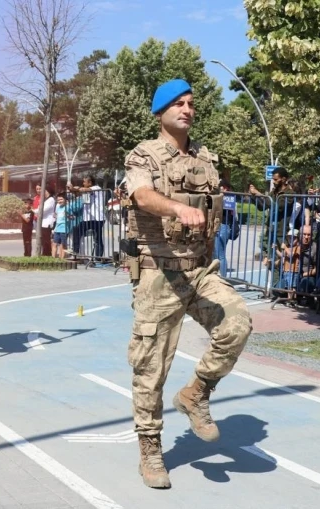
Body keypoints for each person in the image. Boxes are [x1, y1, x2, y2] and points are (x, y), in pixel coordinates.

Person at [122, 79, 252, 489]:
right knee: (150, 370)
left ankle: (196, 392)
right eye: (177, 104)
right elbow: (142, 196)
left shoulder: (206, 159)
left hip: (199, 272)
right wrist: (177, 206)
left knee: (238, 323)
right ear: (160, 113)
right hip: (159, 275)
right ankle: (150, 449)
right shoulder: (142, 156)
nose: (187, 109)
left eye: (192, 103)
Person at [52, 192, 68, 258]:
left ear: (65, 200)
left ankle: (62, 259)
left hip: (64, 228)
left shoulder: (67, 207)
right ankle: (53, 258)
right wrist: (54, 215)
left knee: (63, 244)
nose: (59, 201)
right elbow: (56, 215)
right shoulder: (58, 207)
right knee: (54, 243)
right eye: (58, 200)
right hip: (57, 228)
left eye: (61, 199)